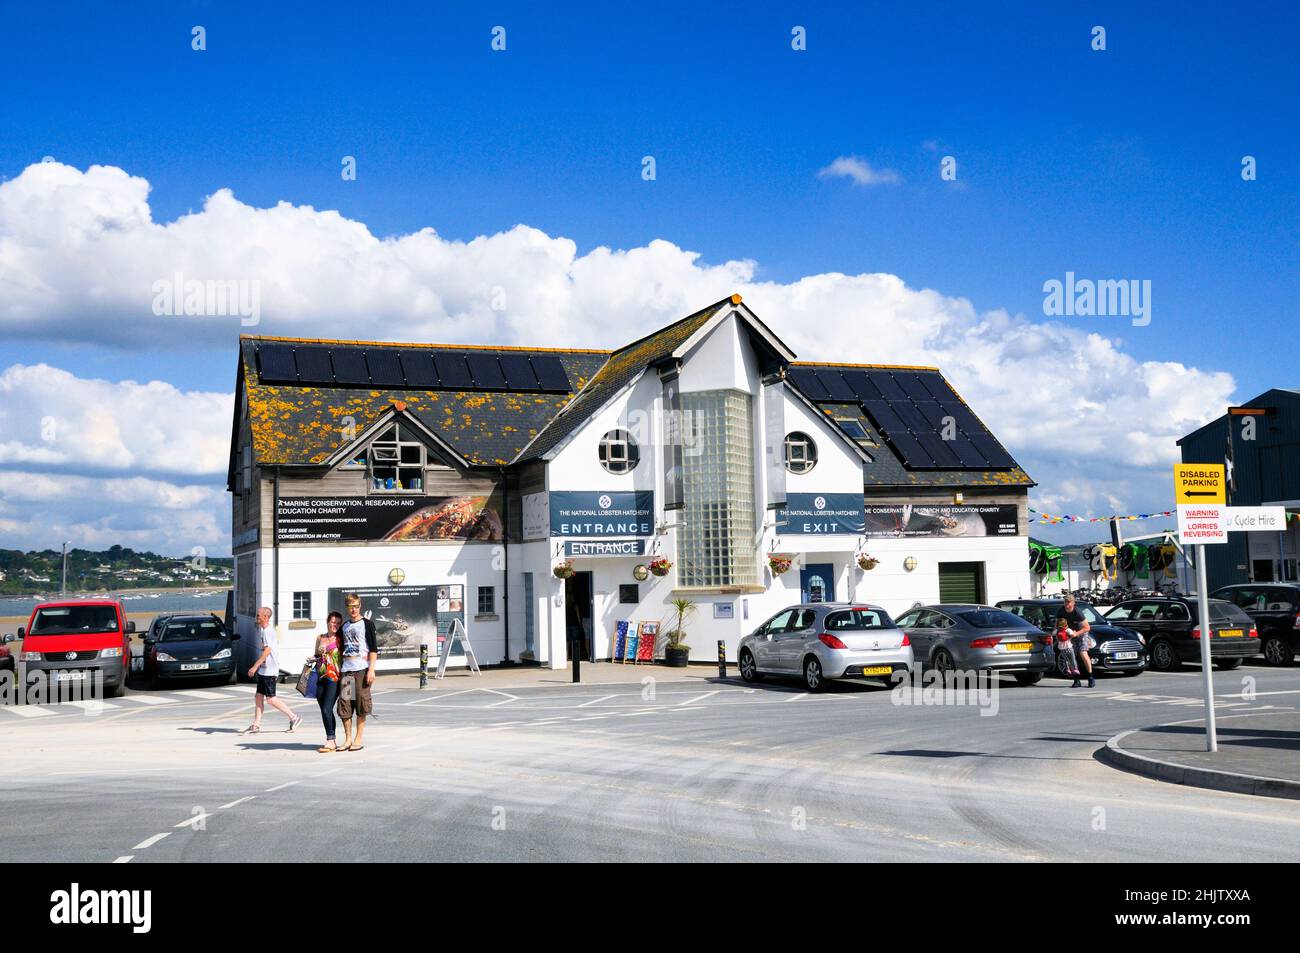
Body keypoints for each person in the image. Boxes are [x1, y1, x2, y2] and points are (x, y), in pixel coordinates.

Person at [242, 606, 302, 734]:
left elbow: (268, 650)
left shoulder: (268, 631)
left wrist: (255, 666)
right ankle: (256, 725)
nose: (256, 617)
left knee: (271, 699)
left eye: (258, 615)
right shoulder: (264, 631)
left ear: (265, 617)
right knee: (258, 697)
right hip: (264, 670)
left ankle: (294, 717)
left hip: (269, 670)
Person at [337, 593, 377, 752]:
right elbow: (339, 648)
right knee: (345, 706)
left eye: (356, 606)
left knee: (361, 704)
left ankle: (358, 739)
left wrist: (371, 669)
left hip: (361, 670)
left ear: (360, 606)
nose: (353, 609)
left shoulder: (367, 624)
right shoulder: (345, 626)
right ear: (347, 608)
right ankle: (347, 739)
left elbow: (373, 649)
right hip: (346, 671)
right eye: (350, 607)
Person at [312, 612, 344, 752]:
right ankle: (332, 739)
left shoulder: (340, 639)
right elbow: (316, 655)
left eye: (338, 623)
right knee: (325, 710)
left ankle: (330, 740)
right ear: (327, 622)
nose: (335, 625)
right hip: (320, 676)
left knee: (327, 708)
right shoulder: (320, 637)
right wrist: (313, 658)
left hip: (334, 678)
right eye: (333, 622)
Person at [1056, 594, 1095, 688]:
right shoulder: (1061, 611)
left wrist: (1076, 634)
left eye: (1069, 602)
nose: (1066, 604)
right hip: (1069, 634)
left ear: (1073, 603)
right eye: (1065, 602)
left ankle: (1090, 677)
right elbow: (1057, 625)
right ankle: (1076, 680)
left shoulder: (1077, 612)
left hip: (1081, 633)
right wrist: (1058, 635)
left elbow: (1087, 627)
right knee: (1071, 656)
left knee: (1083, 653)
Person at [1054, 618, 1081, 686]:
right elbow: (1073, 635)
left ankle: (1068, 669)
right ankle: (1075, 670)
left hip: (1061, 648)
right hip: (1069, 647)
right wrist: (1073, 634)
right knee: (1072, 659)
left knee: (1066, 660)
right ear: (1066, 624)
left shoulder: (1057, 630)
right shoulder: (1068, 630)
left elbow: (1053, 634)